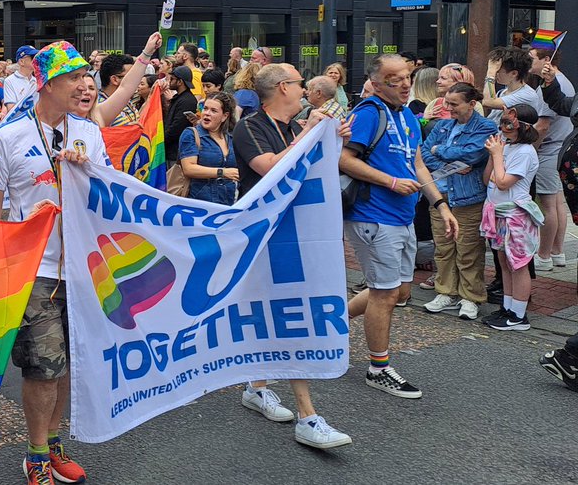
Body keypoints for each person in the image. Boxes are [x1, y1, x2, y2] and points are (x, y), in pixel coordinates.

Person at [0, 41, 107, 485]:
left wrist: (87, 172)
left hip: (83, 270)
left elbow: (107, 201)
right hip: (35, 271)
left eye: (83, 77)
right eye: (73, 78)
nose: (83, 85)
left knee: (69, 362)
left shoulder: (89, 133)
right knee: (43, 367)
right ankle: (34, 454)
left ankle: (53, 443)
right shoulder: (9, 137)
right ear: (47, 83)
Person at [233, 63, 353, 449]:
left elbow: (310, 167)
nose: (307, 90)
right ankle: (306, 414)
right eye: (301, 84)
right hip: (265, 235)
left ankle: (261, 387)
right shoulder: (250, 126)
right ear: (284, 88)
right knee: (280, 315)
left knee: (279, 313)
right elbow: (269, 167)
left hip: (291, 232)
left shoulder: (290, 127)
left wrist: (329, 140)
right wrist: (310, 136)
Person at [339, 54, 458, 400]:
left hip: (404, 215)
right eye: (395, 79)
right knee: (385, 293)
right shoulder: (367, 113)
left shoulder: (406, 113)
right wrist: (390, 182)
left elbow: (417, 164)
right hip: (374, 217)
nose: (405, 84)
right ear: (376, 84)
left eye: (408, 77)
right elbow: (344, 159)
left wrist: (440, 204)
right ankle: (378, 368)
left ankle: (334, 322)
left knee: (401, 291)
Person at [420, 83, 497, 321]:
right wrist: (446, 163)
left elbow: (473, 154)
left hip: (468, 196)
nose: (447, 107)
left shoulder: (486, 126)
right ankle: (446, 292)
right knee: (443, 248)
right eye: (446, 101)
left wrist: (438, 150)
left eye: (454, 103)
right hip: (440, 195)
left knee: (468, 249)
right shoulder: (442, 125)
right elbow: (422, 155)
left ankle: (470, 297)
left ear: (472, 104)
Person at [480, 103, 542, 331]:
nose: (503, 128)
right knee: (504, 263)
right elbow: (489, 179)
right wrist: (493, 155)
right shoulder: (505, 147)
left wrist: (497, 155)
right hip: (498, 212)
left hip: (516, 214)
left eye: (509, 124)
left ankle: (518, 314)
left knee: (518, 264)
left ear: (522, 127)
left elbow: (505, 182)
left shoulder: (525, 152)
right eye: (502, 123)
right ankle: (507, 307)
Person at [528, 47, 572, 271]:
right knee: (555, 203)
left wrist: (530, 149)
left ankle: (544, 256)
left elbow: (543, 125)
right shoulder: (558, 82)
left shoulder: (558, 82)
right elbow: (562, 104)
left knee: (548, 205)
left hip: (550, 149)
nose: (528, 61)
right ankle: (557, 252)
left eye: (532, 58)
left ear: (547, 60)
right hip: (560, 149)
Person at [178, 91, 238, 205]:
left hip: (229, 202)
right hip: (199, 204)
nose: (207, 113)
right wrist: (222, 172)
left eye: (213, 111)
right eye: (205, 109)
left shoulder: (231, 137)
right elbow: (188, 169)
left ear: (225, 116)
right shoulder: (191, 134)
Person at [163, 66, 199, 167]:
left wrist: (162, 141)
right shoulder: (179, 98)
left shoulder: (187, 101)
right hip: (172, 151)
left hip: (176, 152)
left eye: (173, 79)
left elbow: (177, 127)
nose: (170, 81)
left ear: (180, 82)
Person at [2, 45, 39, 115]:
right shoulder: (10, 81)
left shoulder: (37, 80)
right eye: (32, 57)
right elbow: (11, 109)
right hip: (21, 122)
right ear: (21, 62)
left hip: (37, 122)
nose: (36, 60)